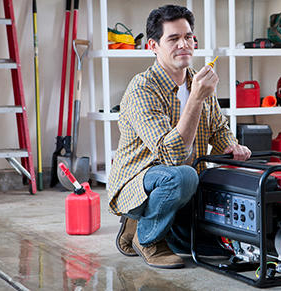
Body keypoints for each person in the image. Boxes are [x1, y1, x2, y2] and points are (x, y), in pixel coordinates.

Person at [107, 4, 251, 269]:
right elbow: (172, 156)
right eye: (173, 39)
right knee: (182, 175)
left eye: (188, 37)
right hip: (141, 182)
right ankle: (145, 237)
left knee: (211, 249)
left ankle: (163, 228)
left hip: (185, 187)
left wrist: (234, 147)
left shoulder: (197, 80)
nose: (183, 44)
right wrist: (195, 99)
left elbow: (219, 129)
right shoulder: (142, 88)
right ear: (153, 45)